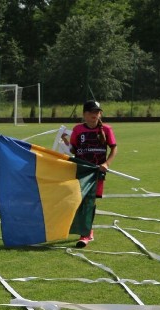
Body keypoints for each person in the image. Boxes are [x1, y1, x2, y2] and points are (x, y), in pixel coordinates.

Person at [68, 100, 117, 248]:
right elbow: (73, 150)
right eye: (91, 112)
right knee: (78, 201)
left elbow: (114, 148)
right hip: (81, 171)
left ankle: (86, 233)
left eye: (97, 112)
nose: (94, 115)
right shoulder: (77, 130)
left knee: (90, 201)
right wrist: (65, 143)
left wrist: (106, 163)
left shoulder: (106, 129)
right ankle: (87, 230)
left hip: (97, 172)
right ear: (84, 114)